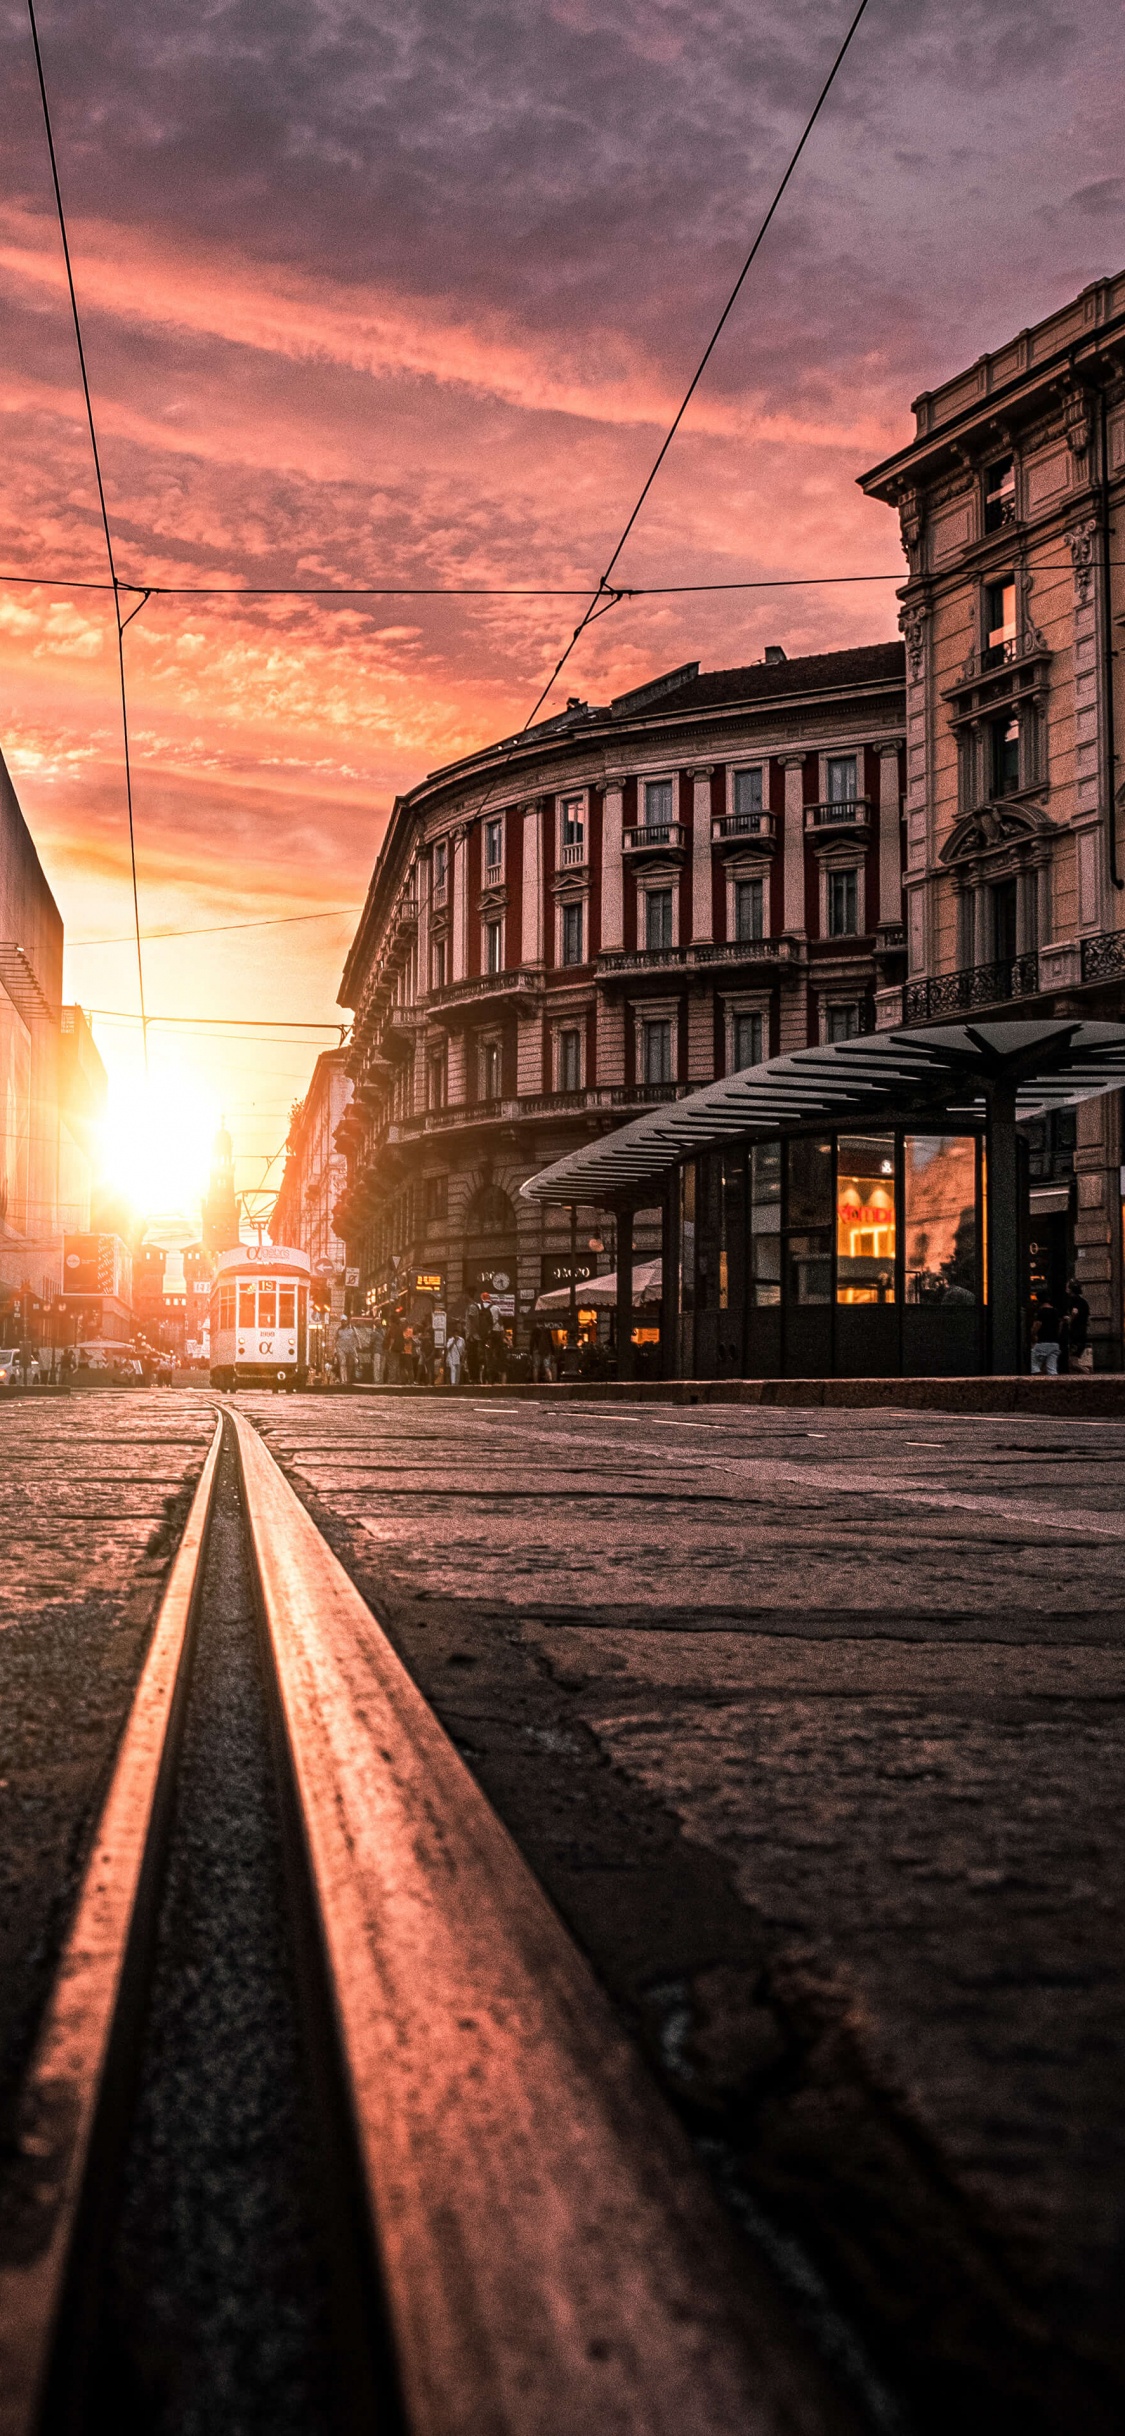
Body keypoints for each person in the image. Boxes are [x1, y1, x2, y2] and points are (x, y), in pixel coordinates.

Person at [1065, 1277, 1092, 1373]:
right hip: (1081, 1333)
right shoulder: (1083, 1302)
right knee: (1072, 1362)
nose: (1066, 1288)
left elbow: (1075, 1312)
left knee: (1072, 1362)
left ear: (1071, 1289)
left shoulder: (1074, 1300)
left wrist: (1069, 1320)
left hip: (1076, 1334)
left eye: (1067, 1286)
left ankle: (1087, 1374)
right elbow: (1088, 1320)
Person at [1030, 1293, 1061, 1376]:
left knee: (1035, 1366)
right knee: (1052, 1369)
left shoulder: (1041, 1312)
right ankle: (1055, 1385)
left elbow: (1037, 1325)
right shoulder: (1055, 1311)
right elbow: (1059, 1326)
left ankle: (1038, 1384)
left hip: (1042, 1342)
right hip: (1054, 1343)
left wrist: (1032, 1334)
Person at [336, 1318, 359, 1385]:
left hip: (350, 1348)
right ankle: (343, 1380)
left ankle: (348, 1378)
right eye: (342, 1321)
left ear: (347, 1321)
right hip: (341, 1348)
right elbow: (335, 1339)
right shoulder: (338, 1330)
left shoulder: (352, 1329)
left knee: (350, 1364)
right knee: (342, 1364)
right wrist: (335, 1349)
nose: (343, 1323)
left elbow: (357, 1337)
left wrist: (359, 1345)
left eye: (344, 1321)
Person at [370, 1318, 386, 1385]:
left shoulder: (383, 1331)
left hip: (383, 1350)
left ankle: (381, 1379)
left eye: (380, 1321)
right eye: (377, 1322)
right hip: (377, 1350)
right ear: (375, 1324)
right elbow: (371, 1342)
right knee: (377, 1366)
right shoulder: (374, 1332)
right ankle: (376, 1380)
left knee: (382, 1366)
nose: (379, 1323)